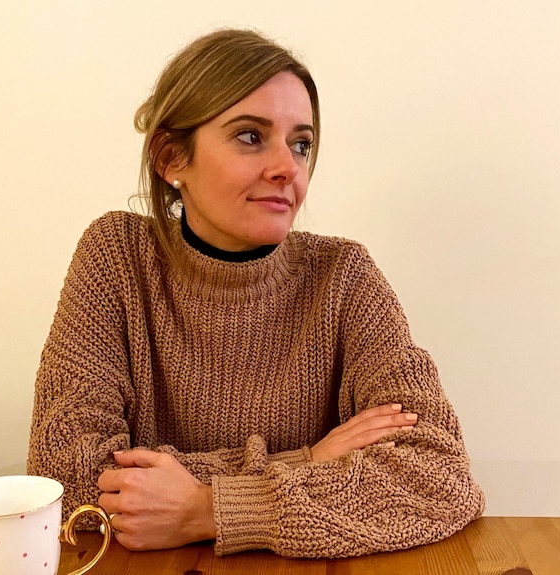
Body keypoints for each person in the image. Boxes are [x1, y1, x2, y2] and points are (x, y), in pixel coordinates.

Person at [27, 28, 485, 559]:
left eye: (301, 143)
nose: (287, 167)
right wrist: (307, 460)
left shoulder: (345, 277)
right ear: (171, 159)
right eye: (250, 136)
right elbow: (65, 478)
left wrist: (207, 507)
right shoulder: (117, 258)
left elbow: (440, 478)